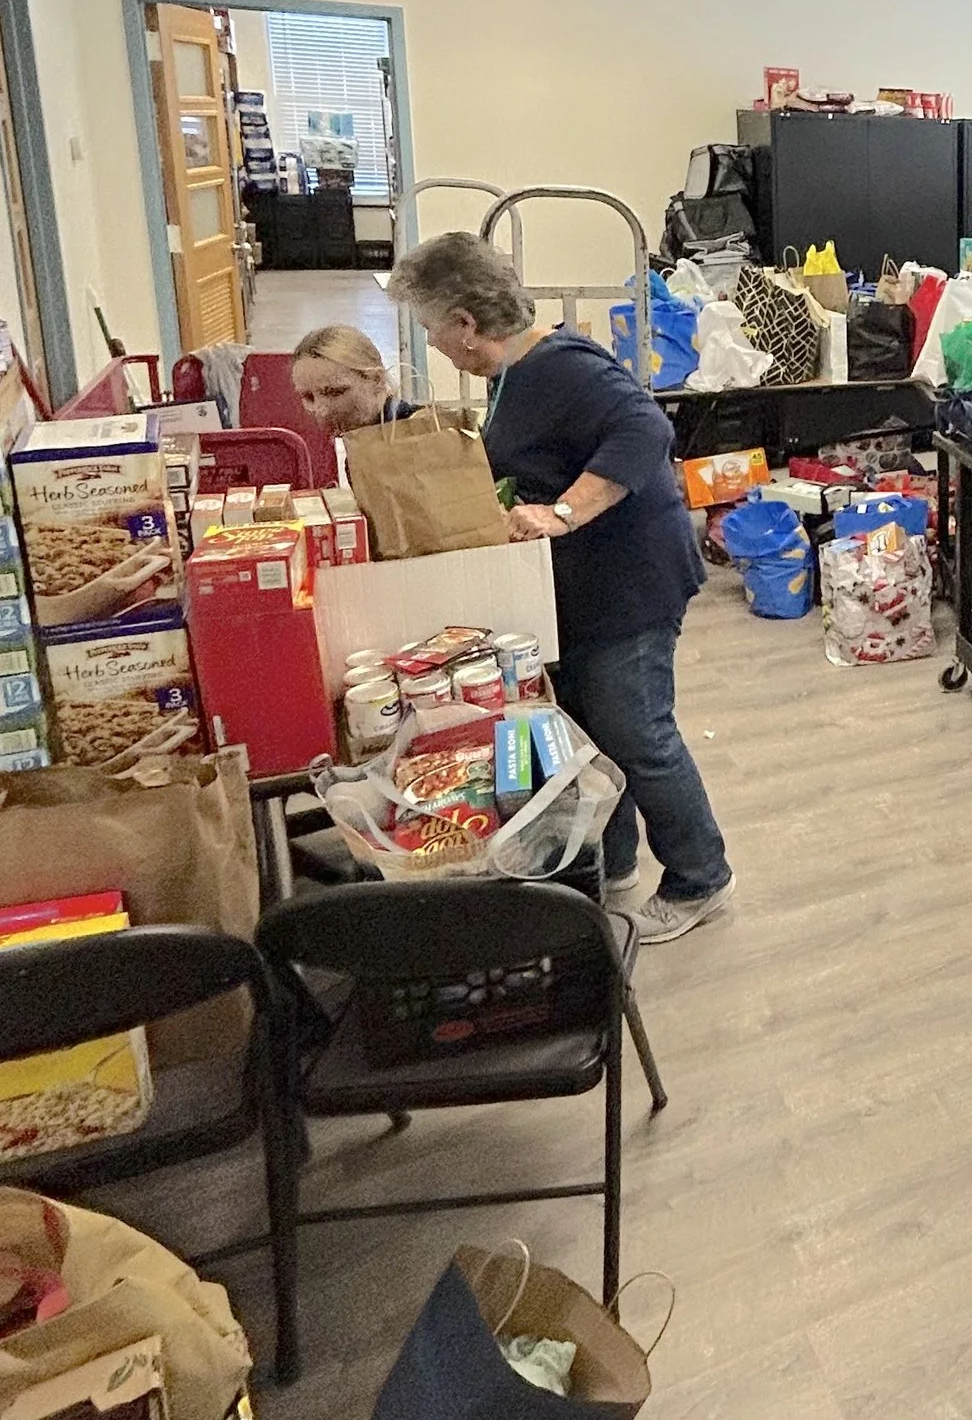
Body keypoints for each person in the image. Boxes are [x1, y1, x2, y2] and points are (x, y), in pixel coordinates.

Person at [387, 230, 733, 943]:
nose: (435, 344)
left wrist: (565, 510)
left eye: (431, 328)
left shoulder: (559, 366)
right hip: (589, 583)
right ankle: (615, 858)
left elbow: (644, 429)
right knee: (591, 729)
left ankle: (701, 876)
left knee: (638, 733)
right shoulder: (514, 375)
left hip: (630, 579)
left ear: (464, 323)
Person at [288, 323, 406, 438]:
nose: (322, 411)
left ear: (376, 379)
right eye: (308, 397)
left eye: (335, 392)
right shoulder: (363, 441)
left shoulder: (417, 433)